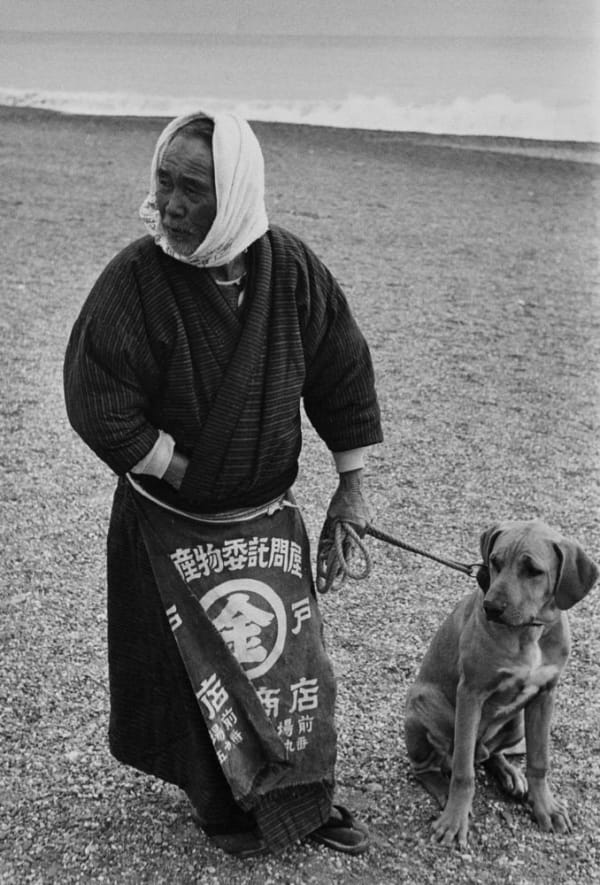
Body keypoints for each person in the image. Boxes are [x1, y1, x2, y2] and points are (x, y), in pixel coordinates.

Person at [64, 110, 383, 858]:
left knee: (287, 663)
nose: (171, 205)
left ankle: (302, 795)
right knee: (192, 673)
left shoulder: (291, 271)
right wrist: (172, 464)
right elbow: (94, 390)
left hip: (263, 519)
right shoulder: (136, 279)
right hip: (169, 522)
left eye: (194, 190)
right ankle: (220, 802)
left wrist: (351, 486)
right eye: (164, 182)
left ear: (236, 192)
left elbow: (341, 369)